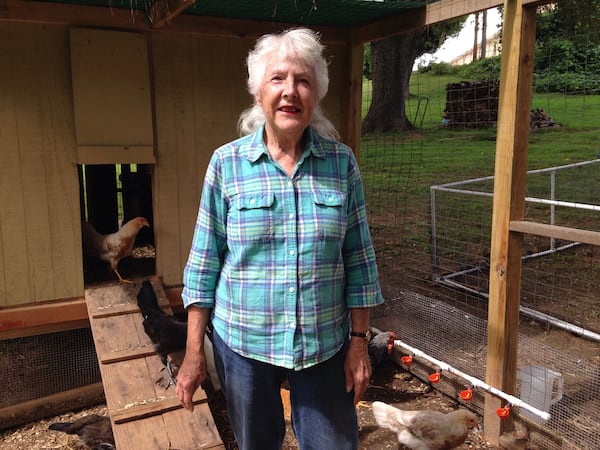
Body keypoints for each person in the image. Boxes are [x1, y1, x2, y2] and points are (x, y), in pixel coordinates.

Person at [176, 27, 384, 450]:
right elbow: (203, 264)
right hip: (243, 345)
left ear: (316, 94)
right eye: (278, 78)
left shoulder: (340, 164)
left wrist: (359, 343)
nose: (291, 91)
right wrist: (194, 351)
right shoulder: (226, 164)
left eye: (303, 80)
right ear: (258, 92)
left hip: (324, 344)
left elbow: (359, 261)